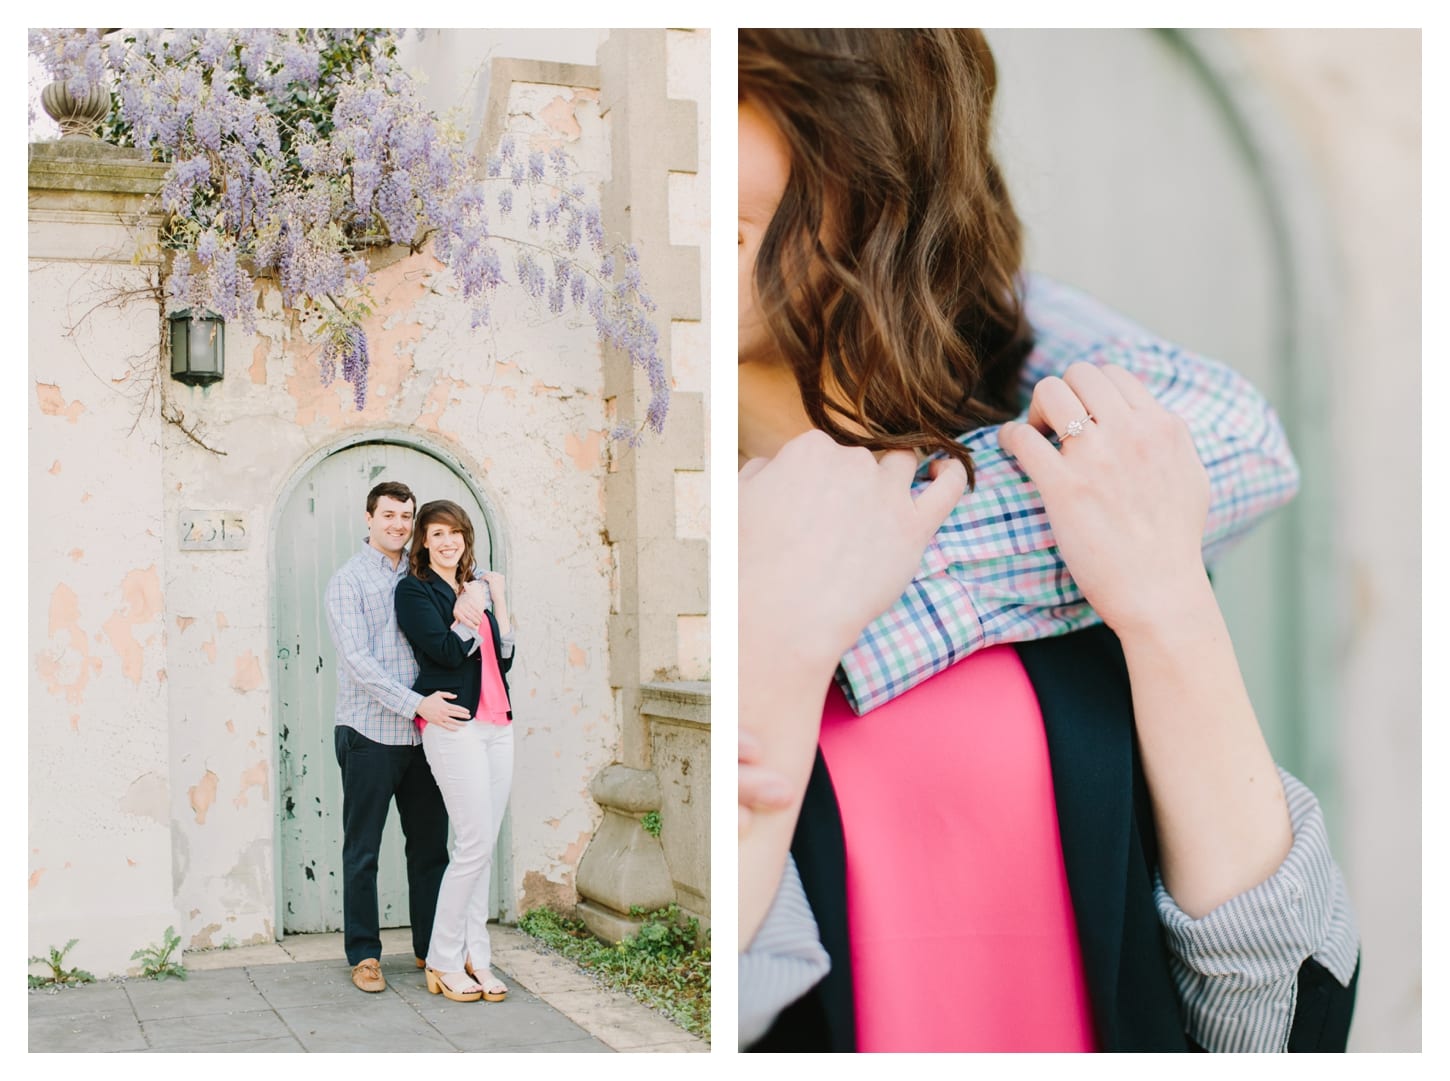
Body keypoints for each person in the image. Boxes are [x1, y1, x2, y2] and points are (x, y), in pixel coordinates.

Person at [737, 29, 1358, 1052]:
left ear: (872, 137)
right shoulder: (698, 562)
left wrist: (1164, 601)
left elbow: (1275, 1005)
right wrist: (777, 629)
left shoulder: (1078, 498)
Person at [325, 481, 474, 994]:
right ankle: (364, 954)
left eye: (406, 516)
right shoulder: (348, 581)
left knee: (430, 848)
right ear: (369, 519)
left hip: (424, 736)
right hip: (369, 731)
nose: (398, 525)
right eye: (388, 515)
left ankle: (430, 949)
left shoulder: (421, 577)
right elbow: (358, 664)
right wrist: (417, 703)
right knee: (363, 849)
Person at [394, 499, 515, 1003]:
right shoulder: (414, 590)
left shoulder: (475, 589)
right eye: (437, 533)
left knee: (483, 847)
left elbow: (503, 658)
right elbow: (443, 652)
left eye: (456, 533)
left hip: (497, 724)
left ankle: (476, 957)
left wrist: (496, 602)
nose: (448, 542)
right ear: (423, 540)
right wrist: (469, 614)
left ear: (466, 538)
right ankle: (444, 959)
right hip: (453, 726)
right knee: (471, 845)